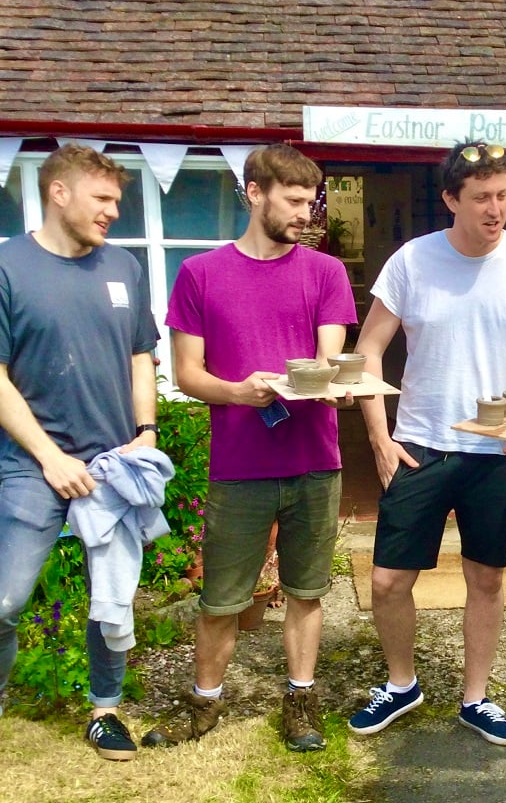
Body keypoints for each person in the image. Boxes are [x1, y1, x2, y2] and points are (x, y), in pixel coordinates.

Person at [347, 140, 506, 745]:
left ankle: (476, 697)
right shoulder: (412, 262)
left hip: (494, 452)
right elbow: (368, 349)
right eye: (481, 199)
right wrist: (380, 439)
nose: (495, 210)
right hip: (420, 442)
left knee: (487, 578)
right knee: (389, 579)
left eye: (502, 196)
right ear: (450, 200)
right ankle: (401, 684)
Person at [142, 143, 356, 753]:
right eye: (293, 202)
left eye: (310, 203)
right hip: (240, 466)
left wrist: (336, 388)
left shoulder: (325, 273)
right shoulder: (201, 275)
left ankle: (301, 698)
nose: (306, 216)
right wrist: (237, 392)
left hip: (316, 460)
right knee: (221, 599)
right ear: (255, 192)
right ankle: (203, 703)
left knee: (307, 591)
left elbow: (329, 360)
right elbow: (187, 374)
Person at [0, 143, 161, 759]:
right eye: (103, 199)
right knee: (8, 598)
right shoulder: (9, 268)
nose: (113, 212)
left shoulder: (122, 267)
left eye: (117, 201)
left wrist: (145, 431)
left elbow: (140, 354)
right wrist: (48, 457)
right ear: (58, 193)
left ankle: (105, 709)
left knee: (112, 595)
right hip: (30, 463)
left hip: (113, 461)